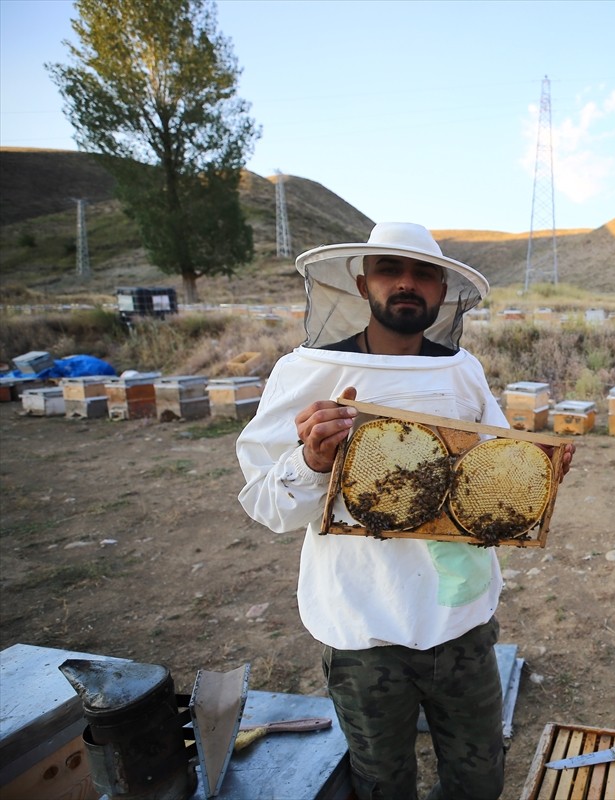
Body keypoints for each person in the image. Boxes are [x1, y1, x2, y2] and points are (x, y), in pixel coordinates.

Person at [237, 222, 572, 800]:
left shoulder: (459, 370)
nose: (407, 284)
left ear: (443, 290)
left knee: (478, 777)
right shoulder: (308, 371)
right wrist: (313, 462)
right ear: (364, 282)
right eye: (391, 270)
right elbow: (267, 505)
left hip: (460, 623)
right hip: (365, 630)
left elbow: (488, 476)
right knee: (382, 783)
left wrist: (533, 477)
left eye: (423, 274)